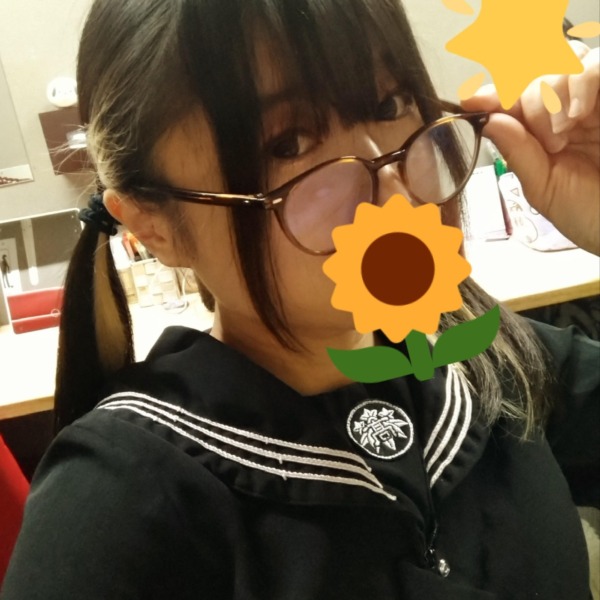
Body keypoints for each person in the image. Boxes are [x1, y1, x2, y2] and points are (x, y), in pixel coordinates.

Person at [2, 1, 599, 598]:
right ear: (152, 226)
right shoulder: (119, 502)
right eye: (289, 143)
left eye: (389, 104)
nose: (396, 195)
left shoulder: (479, 348)